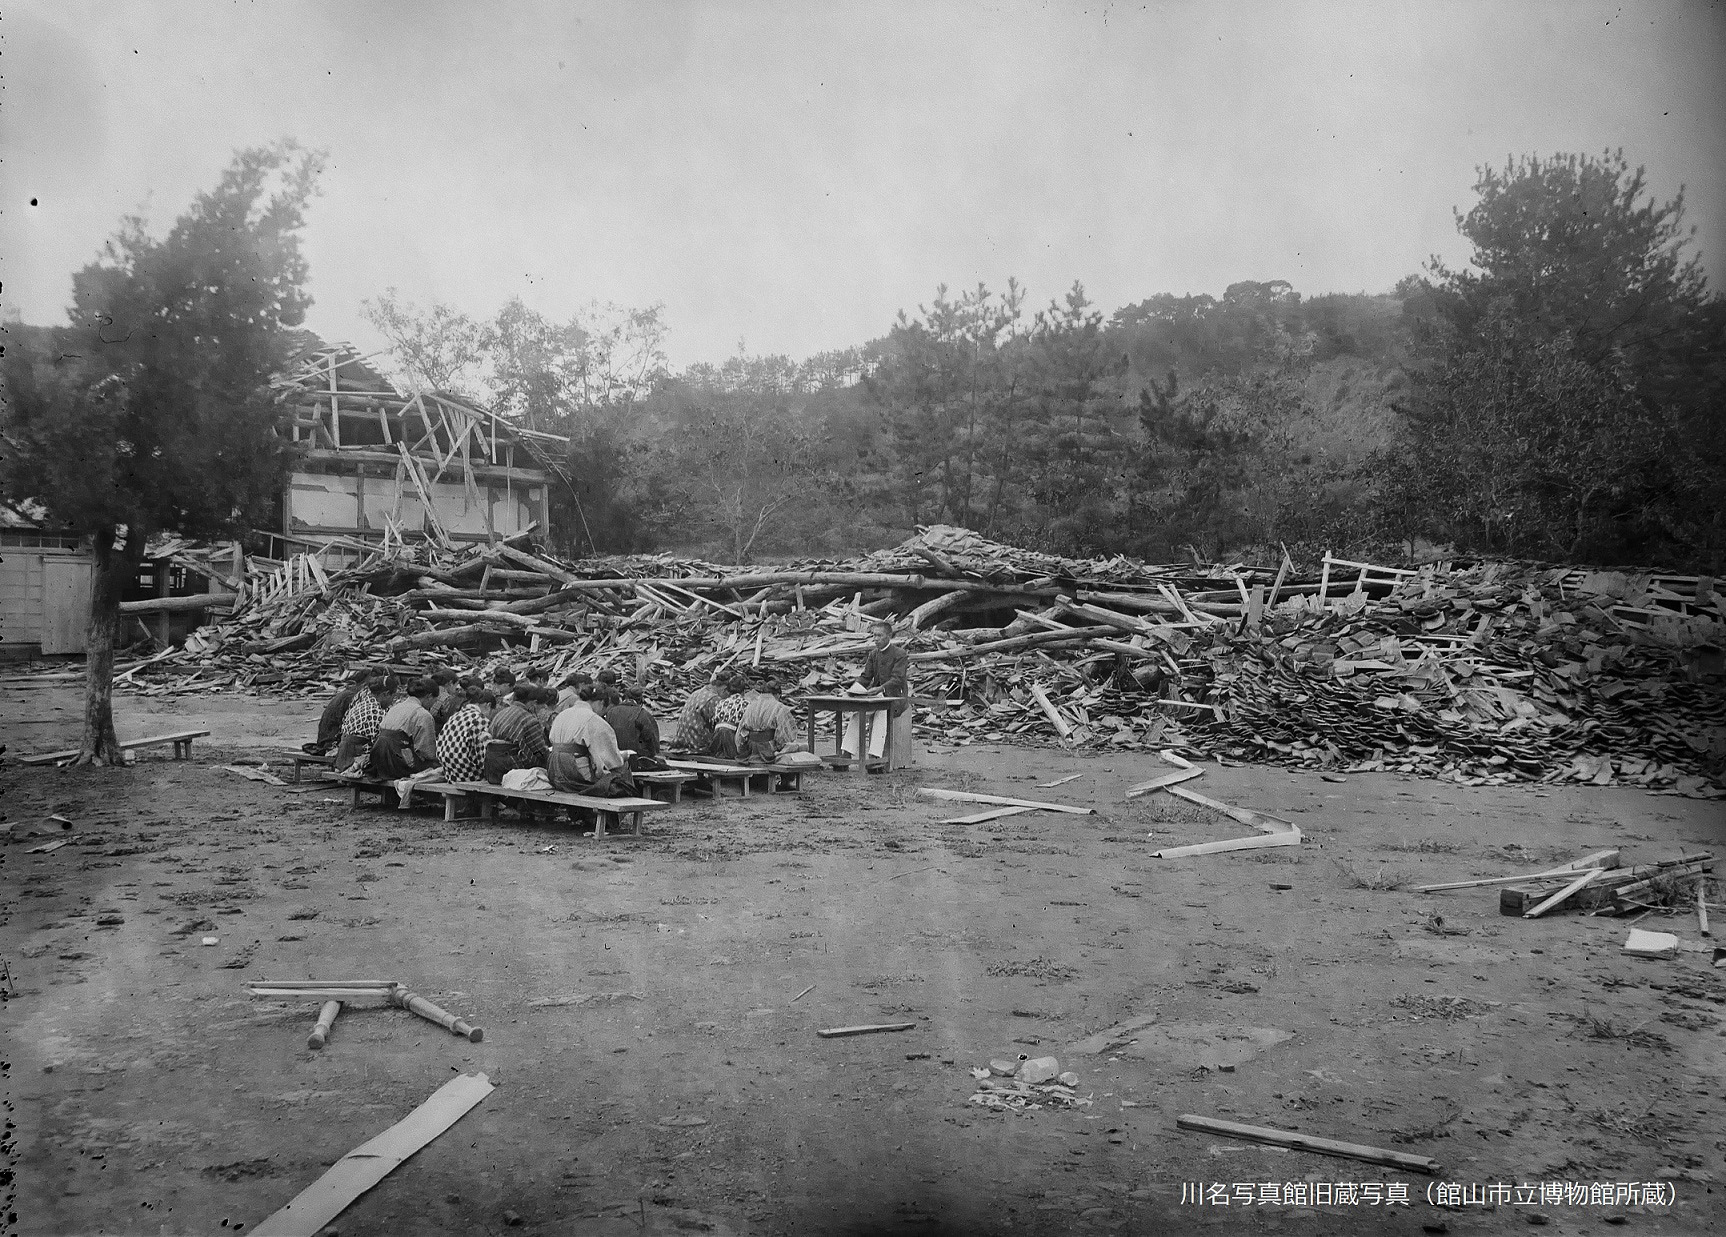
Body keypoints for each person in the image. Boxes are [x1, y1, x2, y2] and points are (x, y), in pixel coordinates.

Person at [547, 684, 636, 796]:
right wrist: (623, 757)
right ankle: (625, 806)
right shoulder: (593, 720)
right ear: (601, 702)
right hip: (575, 776)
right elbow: (611, 761)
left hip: (554, 772)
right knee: (622, 767)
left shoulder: (562, 715)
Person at [844, 621, 910, 766]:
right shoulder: (873, 654)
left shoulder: (900, 654)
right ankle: (847, 753)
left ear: (889, 636)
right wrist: (853, 689)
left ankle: (874, 757)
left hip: (896, 699)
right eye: (874, 635)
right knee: (857, 715)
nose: (876, 639)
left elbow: (897, 679)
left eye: (879, 635)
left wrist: (880, 689)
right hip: (875, 698)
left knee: (881, 712)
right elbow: (866, 677)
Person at [370, 678, 439, 779]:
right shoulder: (423, 715)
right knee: (438, 768)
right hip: (399, 764)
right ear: (429, 696)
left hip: (378, 761)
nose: (434, 704)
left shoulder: (395, 707)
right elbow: (427, 752)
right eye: (434, 700)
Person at [485, 683, 552, 783]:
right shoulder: (529, 720)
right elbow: (540, 752)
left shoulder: (500, 714)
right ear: (533, 703)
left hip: (492, 768)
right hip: (512, 768)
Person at [739, 676, 808, 764]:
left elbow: (740, 734)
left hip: (751, 750)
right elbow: (785, 739)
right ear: (778, 695)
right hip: (769, 752)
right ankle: (788, 778)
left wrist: (743, 748)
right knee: (801, 747)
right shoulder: (780, 708)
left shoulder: (750, 706)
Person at [436, 687, 497, 784]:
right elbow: (483, 758)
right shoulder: (480, 720)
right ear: (488, 705)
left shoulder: (455, 716)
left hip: (450, 774)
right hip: (469, 776)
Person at [335, 673, 392, 773]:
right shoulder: (377, 712)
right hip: (353, 759)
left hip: (342, 756)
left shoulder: (361, 703)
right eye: (393, 697)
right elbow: (379, 743)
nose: (392, 701)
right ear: (385, 694)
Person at [307, 667, 371, 755]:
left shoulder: (350, 693)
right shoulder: (352, 697)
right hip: (330, 742)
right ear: (365, 684)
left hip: (327, 738)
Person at [602, 686, 665, 770]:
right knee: (662, 764)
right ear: (641, 701)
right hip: (636, 762)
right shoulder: (642, 714)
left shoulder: (611, 712)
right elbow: (653, 744)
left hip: (613, 760)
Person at [673, 673, 728, 753]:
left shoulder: (697, 692)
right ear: (724, 689)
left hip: (682, 739)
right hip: (697, 743)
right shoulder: (714, 699)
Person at [708, 673, 752, 761]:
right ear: (743, 691)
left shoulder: (721, 703)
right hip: (732, 742)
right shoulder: (746, 704)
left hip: (717, 742)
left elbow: (712, 723)